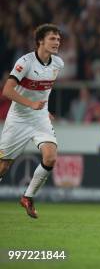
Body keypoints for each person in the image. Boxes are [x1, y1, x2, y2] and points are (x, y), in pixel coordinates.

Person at [0, 24, 64, 218]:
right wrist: (31, 104)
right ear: (40, 41)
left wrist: (45, 110)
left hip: (40, 118)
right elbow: (7, 91)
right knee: (3, 166)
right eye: (52, 38)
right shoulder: (25, 62)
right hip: (18, 119)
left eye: (59, 39)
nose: (57, 42)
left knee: (50, 157)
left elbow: (44, 90)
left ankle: (28, 197)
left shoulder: (58, 63)